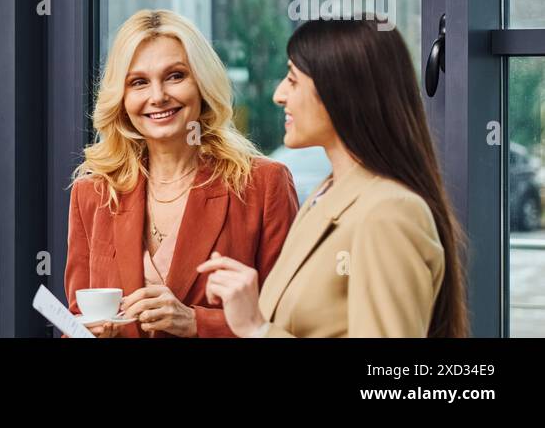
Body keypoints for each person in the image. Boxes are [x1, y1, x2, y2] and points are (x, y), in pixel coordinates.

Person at [199, 17, 469, 338]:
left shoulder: (388, 213)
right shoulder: (325, 194)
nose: (279, 94)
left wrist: (256, 329)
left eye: (292, 79)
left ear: (340, 91)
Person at [67, 9, 298, 338]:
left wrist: (196, 323)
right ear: (122, 97)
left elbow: (289, 320)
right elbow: (77, 319)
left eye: (175, 76)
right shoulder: (93, 192)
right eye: (139, 82)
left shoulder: (263, 184)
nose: (158, 96)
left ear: (202, 83)